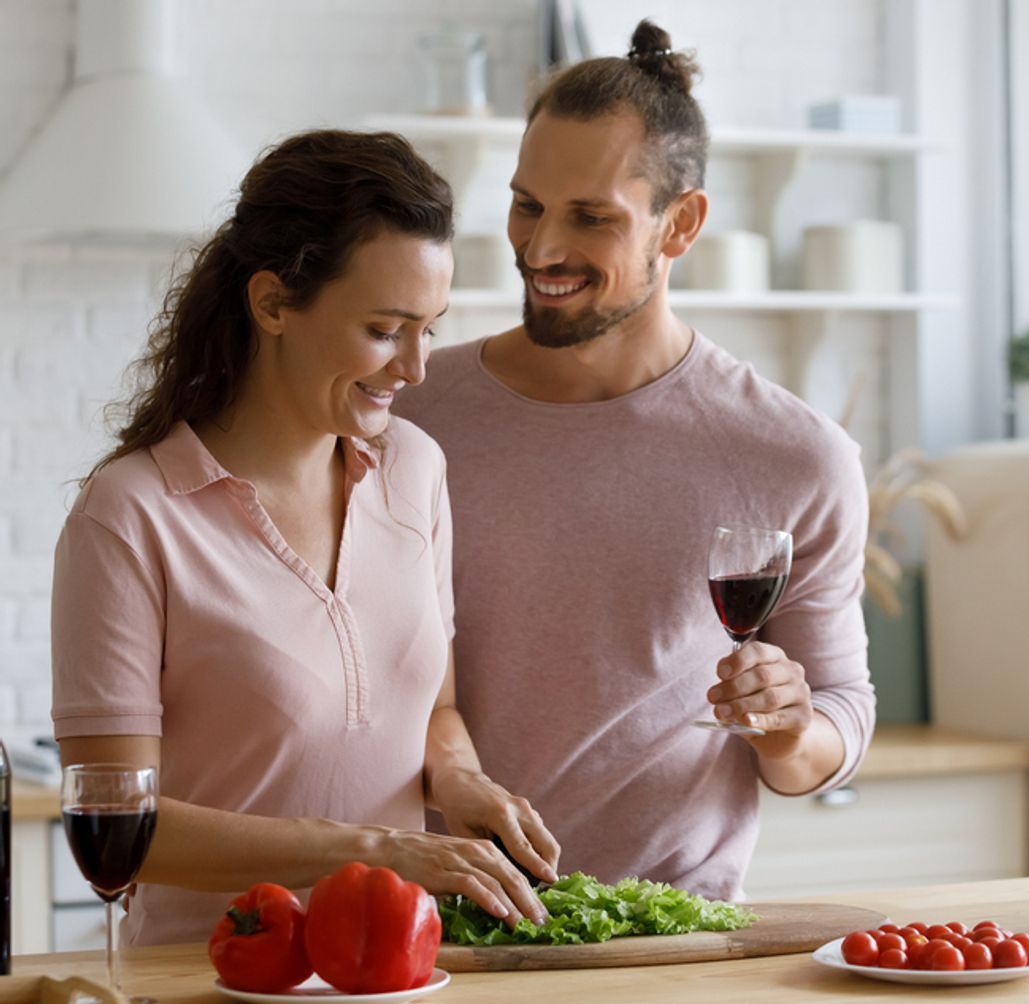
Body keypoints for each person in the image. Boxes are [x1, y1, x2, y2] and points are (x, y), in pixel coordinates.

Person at [394, 20, 875, 902]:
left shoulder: (797, 456)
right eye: (527, 204)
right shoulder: (415, 415)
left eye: (592, 218)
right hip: (436, 928)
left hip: (668, 934)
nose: (540, 251)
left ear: (681, 224)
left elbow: (840, 718)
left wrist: (789, 728)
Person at [50, 129, 559, 946]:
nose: (415, 369)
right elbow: (119, 824)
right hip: (214, 978)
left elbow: (435, 704)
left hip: (396, 966)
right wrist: (372, 848)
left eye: (430, 328)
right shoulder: (131, 515)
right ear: (274, 303)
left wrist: (459, 777)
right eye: (386, 329)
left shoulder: (415, 470)